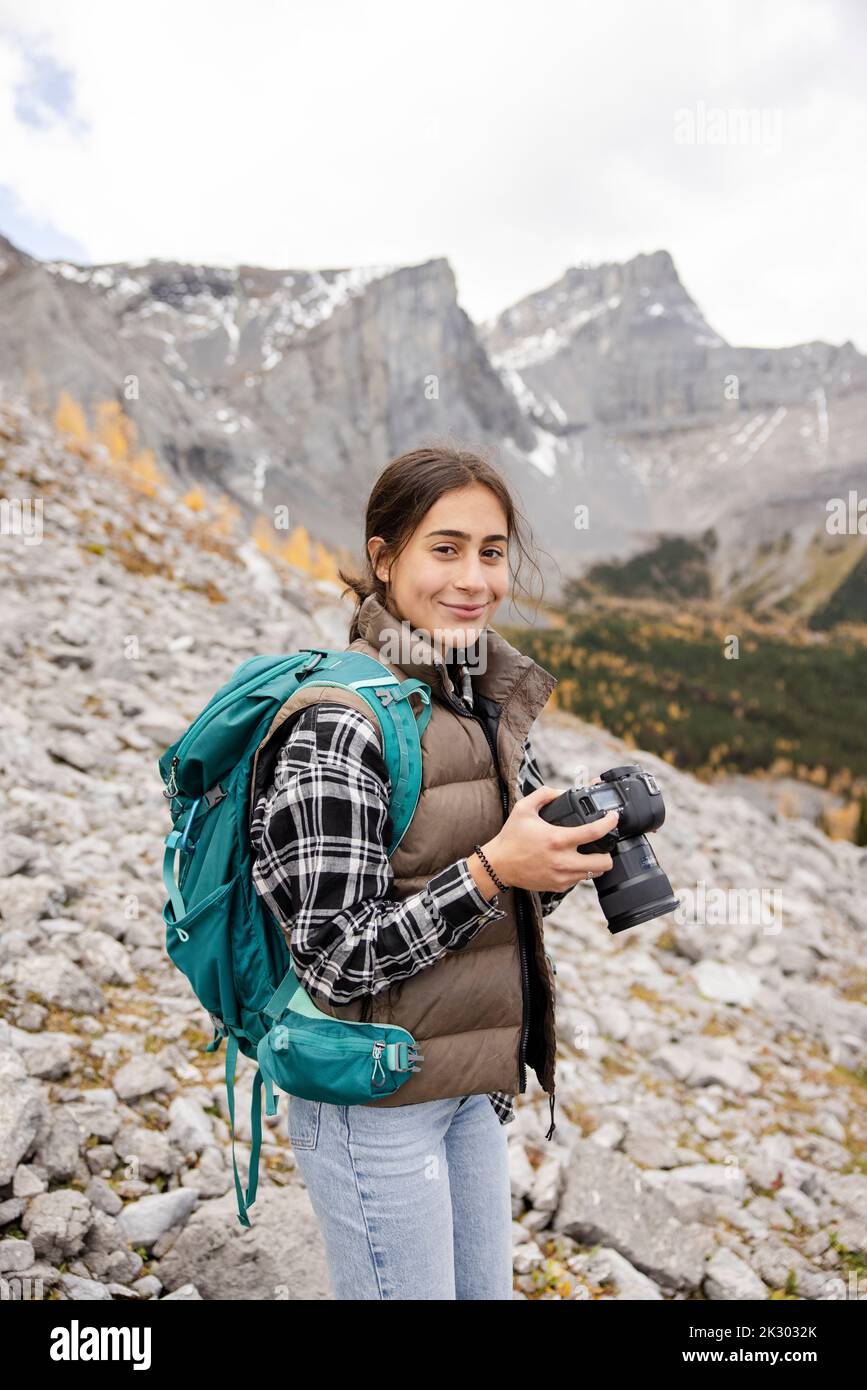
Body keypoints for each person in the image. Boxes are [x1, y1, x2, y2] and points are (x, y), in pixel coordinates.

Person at [249, 444, 619, 1299]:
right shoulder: (340, 725)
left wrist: (541, 872)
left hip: (469, 1087)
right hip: (370, 1103)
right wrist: (493, 872)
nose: (475, 578)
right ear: (383, 558)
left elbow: (483, 913)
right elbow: (336, 960)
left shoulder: (476, 696)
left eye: (491, 552)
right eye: (443, 549)